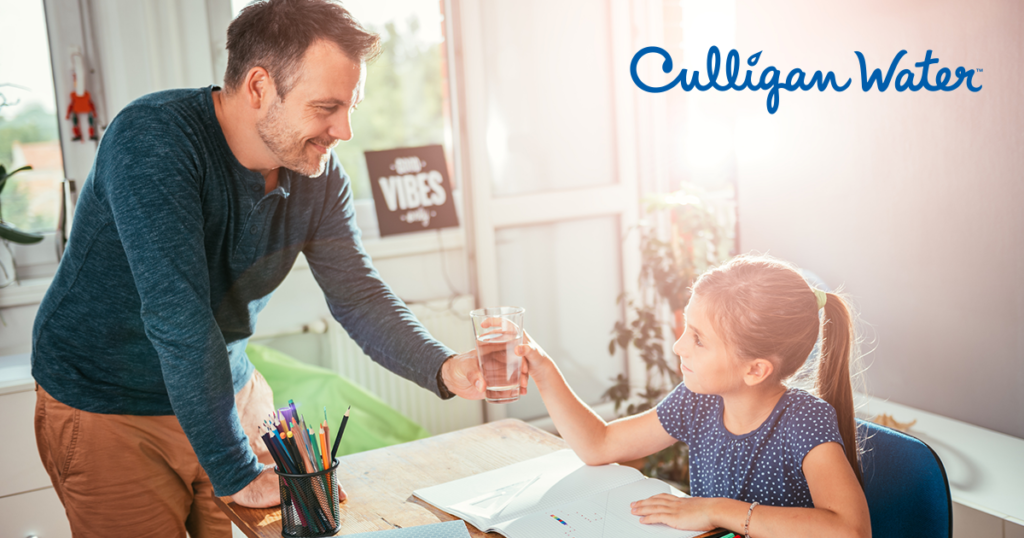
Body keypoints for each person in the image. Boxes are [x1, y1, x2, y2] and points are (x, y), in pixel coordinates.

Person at [30, 1, 509, 536]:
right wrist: (236, 471)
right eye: (327, 106)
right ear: (259, 87)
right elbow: (179, 319)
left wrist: (443, 368)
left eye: (352, 106)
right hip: (111, 406)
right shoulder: (153, 140)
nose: (345, 130)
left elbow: (358, 296)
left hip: (223, 392)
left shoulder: (319, 174)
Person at [515, 254, 871, 538]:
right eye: (686, 327)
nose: (678, 345)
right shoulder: (698, 401)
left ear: (755, 370)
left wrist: (717, 510)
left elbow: (849, 530)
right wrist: (543, 369)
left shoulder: (803, 420)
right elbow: (600, 444)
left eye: (698, 339)